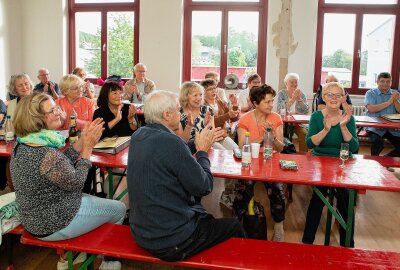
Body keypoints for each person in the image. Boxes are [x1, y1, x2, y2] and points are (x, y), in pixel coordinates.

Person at [10, 92, 126, 270]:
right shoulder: (45, 153)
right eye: (52, 110)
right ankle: (109, 263)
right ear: (36, 119)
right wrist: (87, 148)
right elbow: (77, 182)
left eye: (56, 107)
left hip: (36, 217)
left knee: (99, 202)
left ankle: (82, 252)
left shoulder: (24, 143)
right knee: (119, 209)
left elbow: (58, 164)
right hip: (53, 223)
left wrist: (81, 141)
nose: (59, 112)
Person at [126, 90, 246, 262]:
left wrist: (197, 144)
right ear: (167, 115)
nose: (181, 114)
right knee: (233, 226)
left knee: (205, 217)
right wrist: (203, 151)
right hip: (170, 241)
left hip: (142, 232)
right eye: (177, 110)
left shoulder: (139, 135)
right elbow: (204, 186)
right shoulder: (171, 142)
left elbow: (173, 153)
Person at [302, 82, 358, 247]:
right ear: (324, 97)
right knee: (318, 197)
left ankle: (347, 245)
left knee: (346, 198)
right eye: (330, 95)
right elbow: (310, 144)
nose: (334, 98)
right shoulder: (317, 117)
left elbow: (354, 147)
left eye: (337, 95)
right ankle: (307, 241)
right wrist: (326, 130)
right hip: (321, 162)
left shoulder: (349, 118)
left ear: (343, 98)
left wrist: (343, 126)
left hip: (343, 163)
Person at [236, 84, 286, 242]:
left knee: (277, 190)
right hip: (250, 161)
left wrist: (272, 137)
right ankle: (236, 226)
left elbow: (281, 148)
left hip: (270, 160)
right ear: (255, 103)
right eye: (267, 102)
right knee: (244, 188)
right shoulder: (244, 119)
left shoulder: (276, 118)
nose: (271, 105)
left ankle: (279, 227)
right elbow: (241, 147)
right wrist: (262, 137)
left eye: (272, 101)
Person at [364, 72, 400, 157]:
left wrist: (395, 100)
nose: (385, 84)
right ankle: (374, 164)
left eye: (388, 81)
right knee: (378, 144)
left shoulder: (395, 94)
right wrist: (389, 102)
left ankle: (383, 162)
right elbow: (371, 109)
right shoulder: (370, 93)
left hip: (392, 128)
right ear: (377, 82)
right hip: (374, 127)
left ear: (391, 82)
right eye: (382, 81)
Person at [201, 79, 239, 150]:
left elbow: (234, 119)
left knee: (237, 150)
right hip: (211, 139)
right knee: (223, 153)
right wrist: (228, 115)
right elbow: (212, 123)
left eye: (214, 88)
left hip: (223, 136)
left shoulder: (220, 102)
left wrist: (235, 105)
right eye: (209, 89)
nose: (213, 91)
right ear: (203, 92)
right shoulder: (203, 105)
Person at [276, 73, 309, 152]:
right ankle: (282, 153)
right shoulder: (281, 94)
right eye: (291, 82)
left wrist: (299, 99)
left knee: (304, 134)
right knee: (279, 135)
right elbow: (279, 109)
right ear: (286, 83)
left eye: (296, 82)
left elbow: (306, 110)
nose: (294, 84)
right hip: (283, 122)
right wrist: (293, 99)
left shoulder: (301, 94)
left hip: (297, 123)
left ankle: (303, 156)